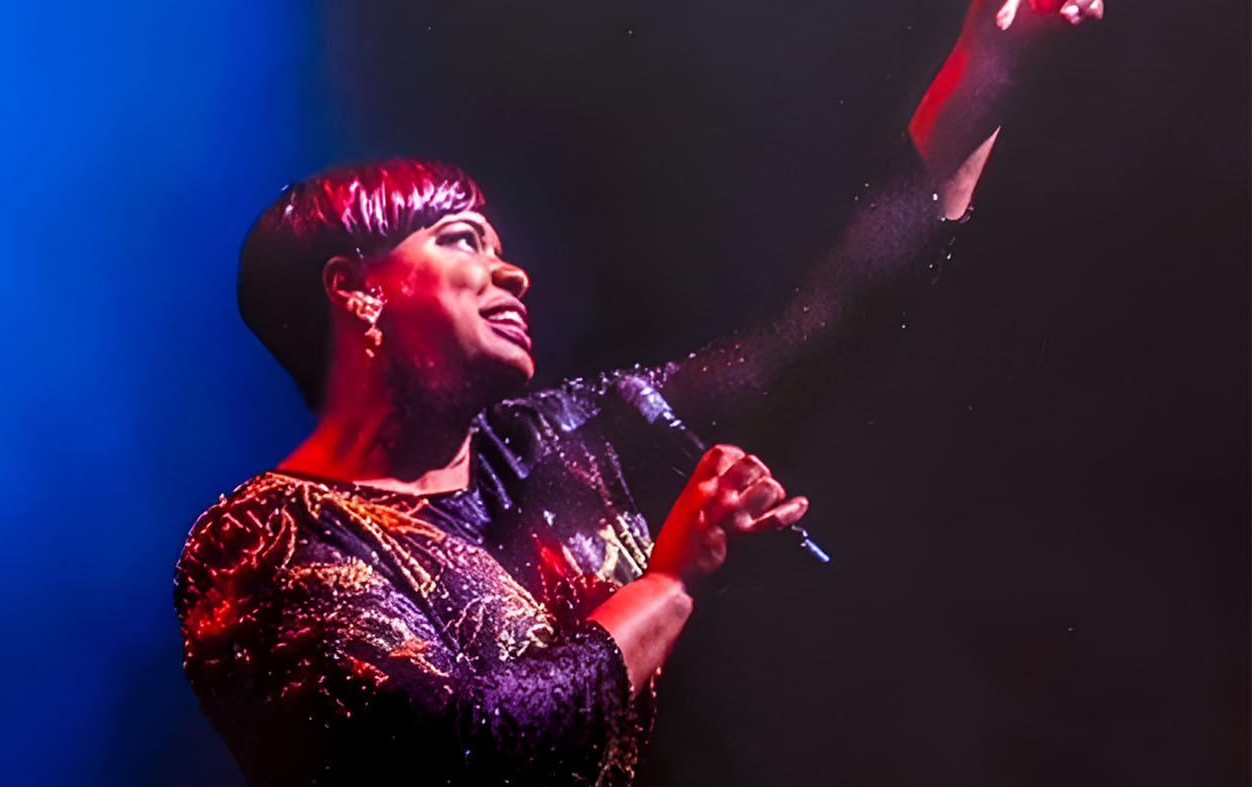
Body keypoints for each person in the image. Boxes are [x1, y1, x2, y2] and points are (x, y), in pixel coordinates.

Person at [173, 1, 1103, 784]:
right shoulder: (263, 545)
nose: (513, 275)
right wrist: (670, 580)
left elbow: (823, 328)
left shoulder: (554, 443)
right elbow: (464, 748)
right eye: (460, 242)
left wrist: (988, 67)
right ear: (356, 288)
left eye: (503, 247)